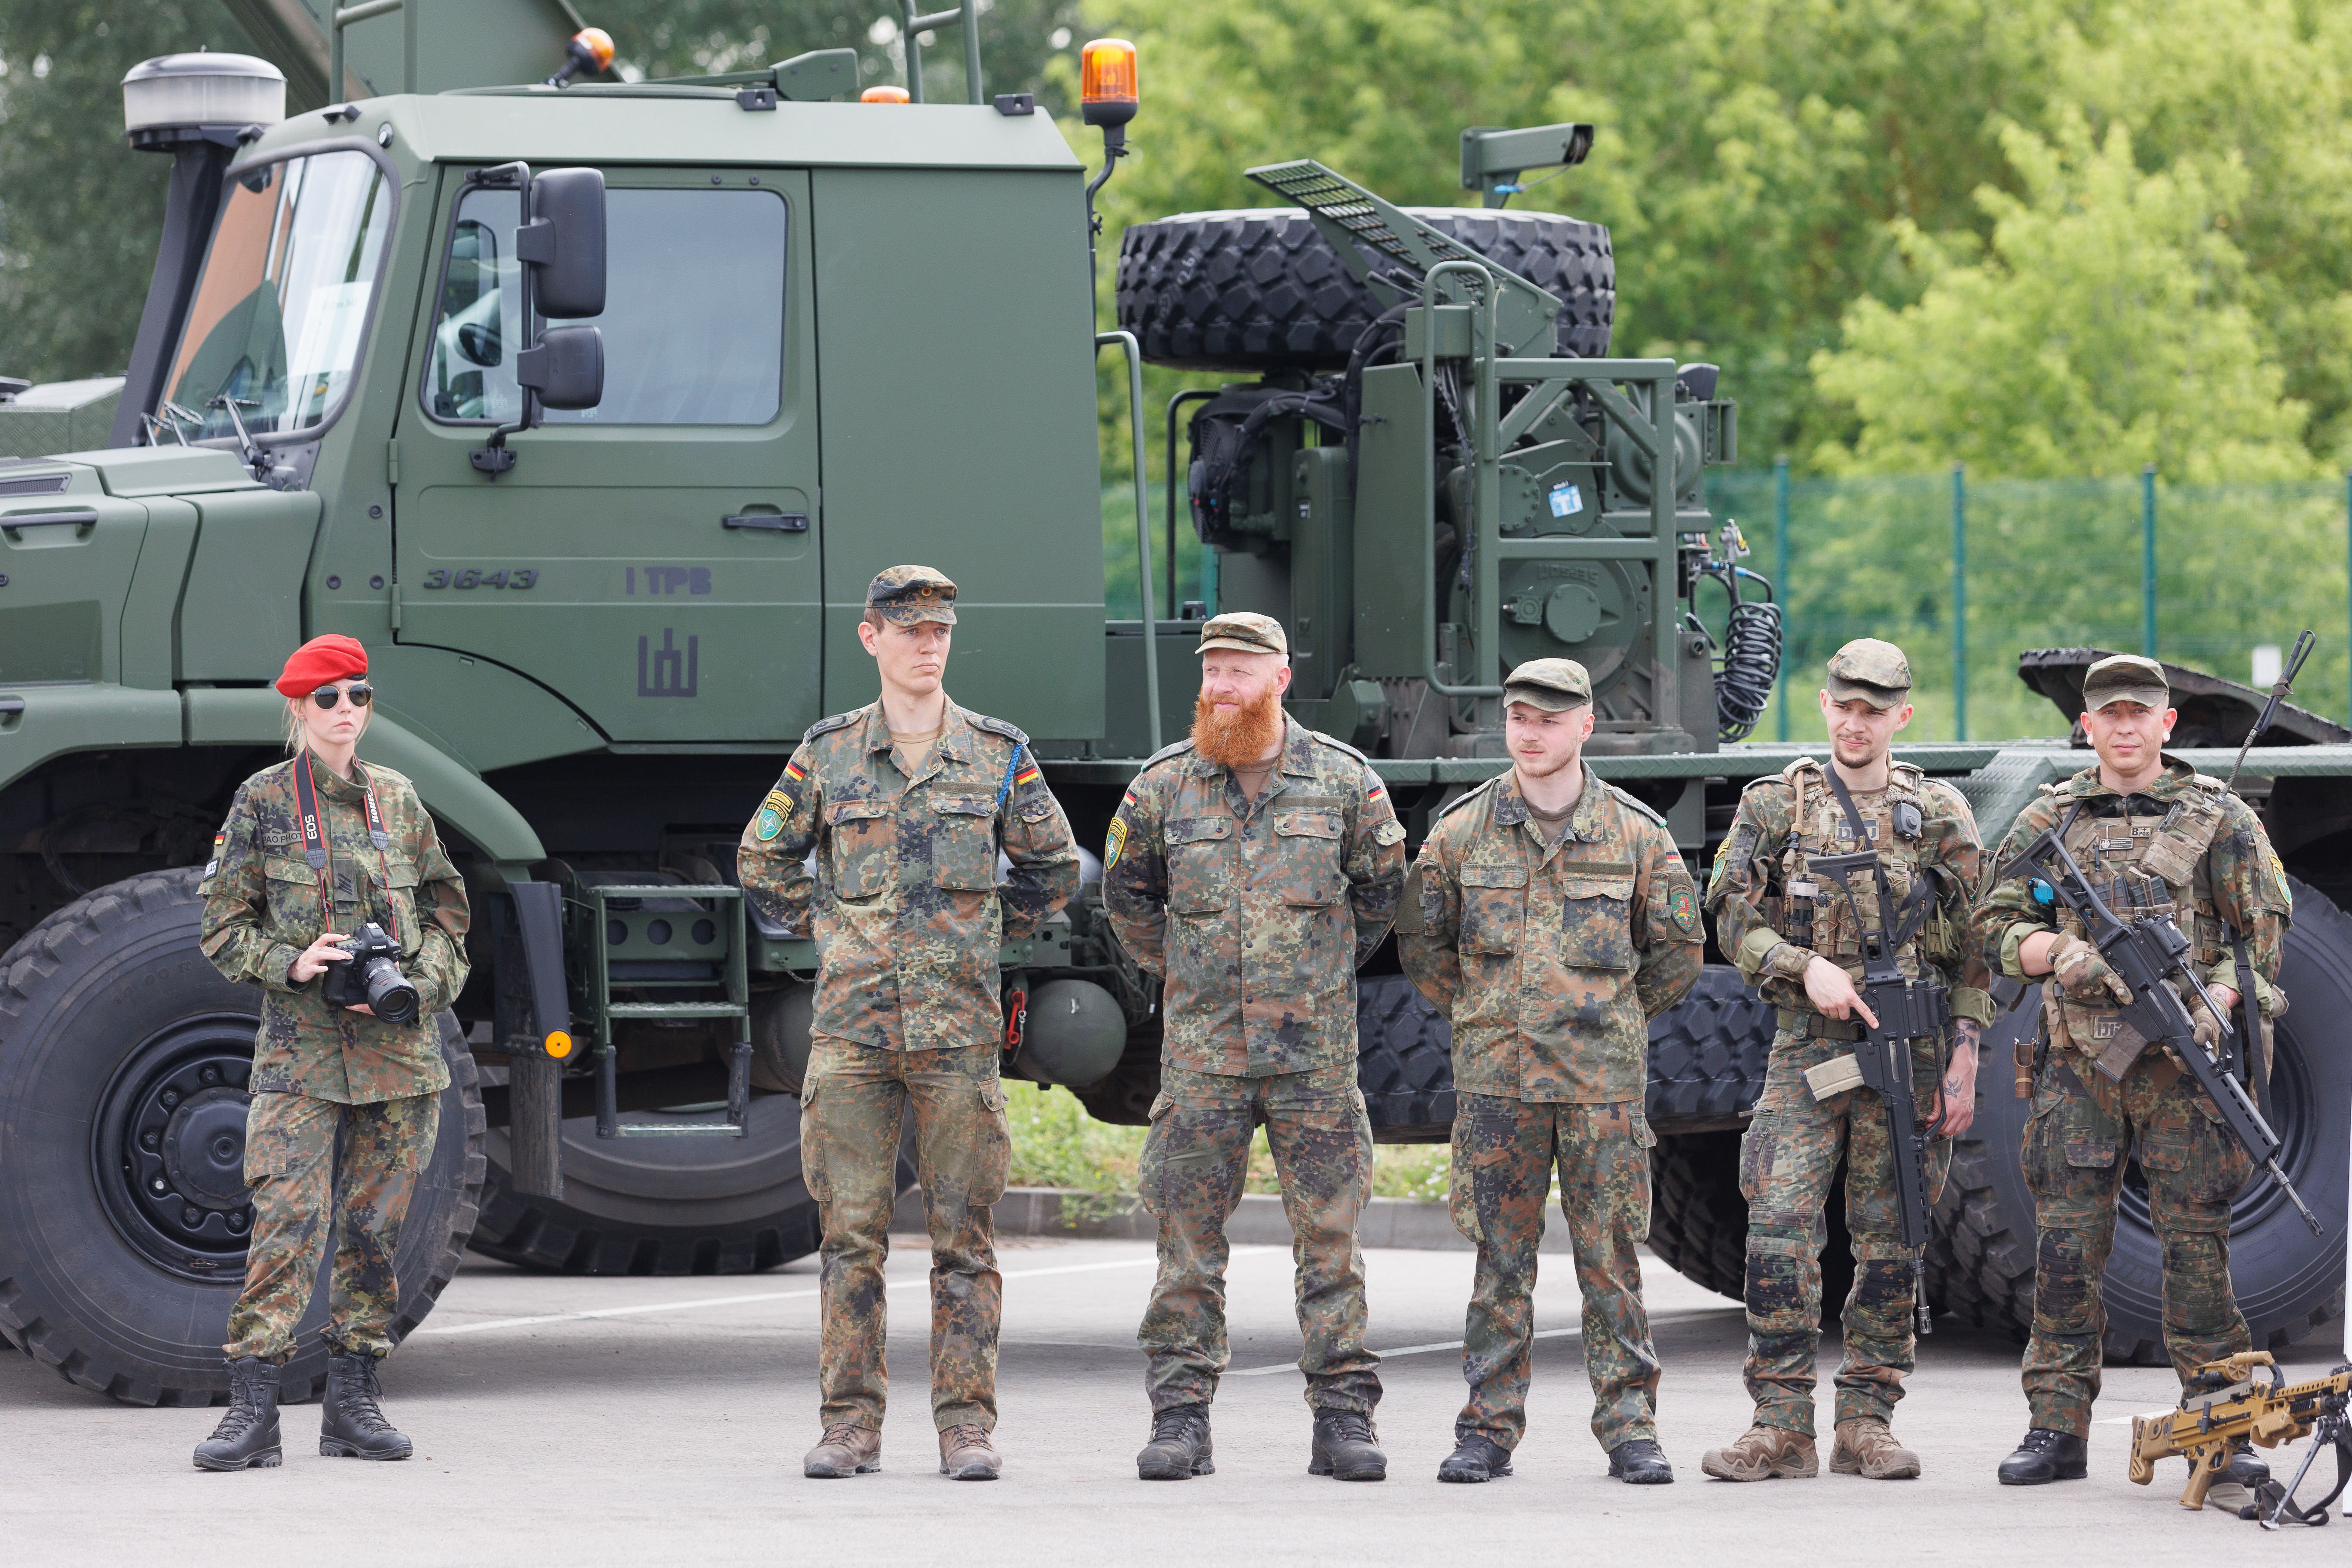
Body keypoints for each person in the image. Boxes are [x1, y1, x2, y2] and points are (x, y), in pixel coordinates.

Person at [738, 566, 1079, 1483]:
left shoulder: (998, 753)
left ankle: (965, 1425)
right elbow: (762, 858)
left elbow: (1053, 867)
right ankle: (850, 1426)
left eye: (941, 631)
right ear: (871, 638)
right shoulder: (831, 753)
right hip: (852, 1034)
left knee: (965, 1240)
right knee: (851, 1237)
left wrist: (981, 937)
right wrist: (836, 930)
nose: (928, 644)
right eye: (910, 629)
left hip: (957, 1032)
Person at [1102, 611, 1407, 1483]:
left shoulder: (1343, 782)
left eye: (1238, 671)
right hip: (1203, 1058)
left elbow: (1383, 894)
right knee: (1187, 1247)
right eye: (1211, 672)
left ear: (1280, 676)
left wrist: (1316, 972)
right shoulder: (1165, 786)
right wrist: (1186, 974)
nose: (1219, 687)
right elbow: (1128, 900)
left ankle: (1344, 1420)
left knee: (1332, 1246)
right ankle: (1180, 1420)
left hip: (1314, 1057)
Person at [1977, 653, 2290, 1488]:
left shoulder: (2217, 820)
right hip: (2079, 1067)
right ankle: (2056, 1427)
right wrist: (2055, 951)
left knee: (2197, 1250)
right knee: (2067, 1249)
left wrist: (2216, 1003)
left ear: (2166, 724)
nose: (2122, 725)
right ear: (2087, 725)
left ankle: (2219, 1426)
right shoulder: (2050, 818)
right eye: (2107, 713)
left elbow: (2262, 952)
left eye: (2137, 712)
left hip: (2184, 1071)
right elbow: (1992, 926)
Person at [1397, 658, 1703, 1486]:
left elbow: (1676, 954)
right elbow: (1425, 946)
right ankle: (1487, 1430)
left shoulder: (1635, 834)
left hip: (1601, 1088)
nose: (1531, 734)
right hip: (1499, 1085)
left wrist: (1612, 1018)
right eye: (1520, 718)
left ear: (1584, 727)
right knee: (1501, 1258)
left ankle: (1631, 1427)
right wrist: (1485, 1014)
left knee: (1612, 1257)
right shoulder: (1461, 833)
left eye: (1549, 719)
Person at [1697, 638, 1988, 1482]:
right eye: (1844, 705)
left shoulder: (1938, 814)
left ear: (1901, 715)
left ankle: (1867, 1419)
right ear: (1825, 705)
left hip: (1909, 1054)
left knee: (1892, 1235)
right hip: (1811, 1052)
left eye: (1875, 708)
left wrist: (1966, 1053)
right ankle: (1780, 1423)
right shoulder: (1775, 806)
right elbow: (1726, 914)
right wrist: (1800, 967)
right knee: (1779, 1227)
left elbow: (1974, 945)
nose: (1856, 722)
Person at [192, 634, 470, 1471]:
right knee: (287, 1222)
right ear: (298, 709)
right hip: (302, 1052)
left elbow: (451, 913)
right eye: (328, 699)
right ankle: (253, 1410)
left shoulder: (400, 799)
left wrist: (421, 983)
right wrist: (293, 961)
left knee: (373, 1231)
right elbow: (219, 926)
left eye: (358, 696)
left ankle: (353, 1402)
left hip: (400, 1053)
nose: (346, 712)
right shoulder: (264, 802)